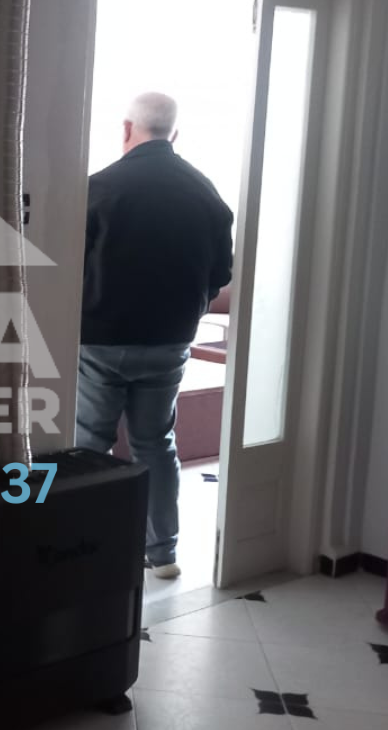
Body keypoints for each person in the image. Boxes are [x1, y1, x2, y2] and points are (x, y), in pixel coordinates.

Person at [76, 92, 234, 580]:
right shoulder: (205, 192)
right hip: (169, 341)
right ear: (174, 134)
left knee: (90, 445)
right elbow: (220, 273)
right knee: (156, 445)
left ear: (127, 129)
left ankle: (84, 548)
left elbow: (69, 267)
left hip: (100, 338)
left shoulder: (98, 187)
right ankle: (163, 554)